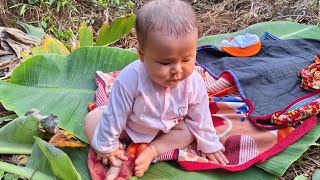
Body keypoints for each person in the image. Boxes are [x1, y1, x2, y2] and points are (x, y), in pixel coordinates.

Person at [84, 0, 229, 179]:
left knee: (189, 131)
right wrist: (107, 146)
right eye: (165, 63)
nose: (177, 70)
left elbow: (201, 116)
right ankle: (117, 155)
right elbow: (115, 116)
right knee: (93, 119)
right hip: (128, 127)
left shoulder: (193, 82)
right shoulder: (129, 80)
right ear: (143, 56)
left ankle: (153, 151)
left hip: (166, 131)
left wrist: (209, 144)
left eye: (186, 60)